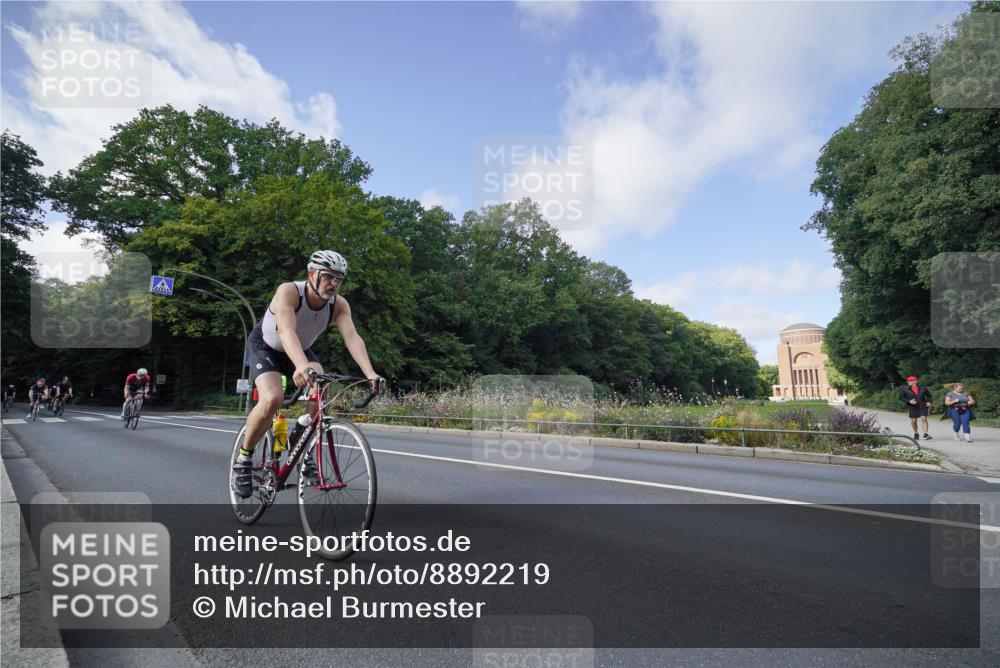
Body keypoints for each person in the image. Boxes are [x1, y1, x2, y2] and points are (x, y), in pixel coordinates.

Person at [234, 250, 382, 497]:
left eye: (339, 279)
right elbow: (285, 330)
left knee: (321, 391)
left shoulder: (339, 305)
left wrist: (370, 373)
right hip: (267, 346)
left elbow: (352, 337)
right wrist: (301, 365)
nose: (333, 283)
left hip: (300, 350)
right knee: (273, 399)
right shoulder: (289, 291)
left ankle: (300, 433)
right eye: (328, 277)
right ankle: (244, 458)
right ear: (311, 274)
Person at [899, 375, 933, 440]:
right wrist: (909, 401)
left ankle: (925, 434)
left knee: (924, 419)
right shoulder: (905, 389)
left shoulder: (923, 388)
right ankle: (916, 433)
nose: (908, 381)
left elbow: (929, 396)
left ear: (915, 381)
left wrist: (929, 402)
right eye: (908, 380)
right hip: (913, 407)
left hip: (923, 405)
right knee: (914, 421)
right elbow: (901, 397)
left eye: (910, 380)